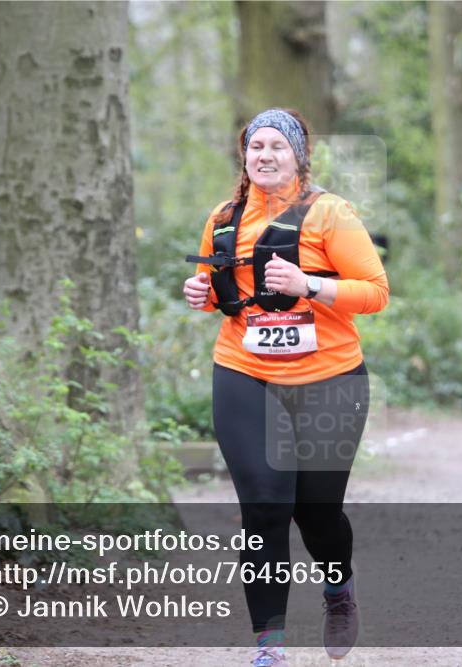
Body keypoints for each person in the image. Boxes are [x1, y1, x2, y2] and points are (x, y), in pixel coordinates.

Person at [182, 108, 389, 666]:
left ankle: (338, 588)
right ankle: (269, 647)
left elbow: (375, 292)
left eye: (277, 145)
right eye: (256, 146)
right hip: (245, 374)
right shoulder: (224, 217)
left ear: (299, 156)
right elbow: (222, 290)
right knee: (264, 507)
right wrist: (203, 294)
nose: (265, 155)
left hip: (329, 380)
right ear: (244, 155)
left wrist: (308, 285)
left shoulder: (329, 213)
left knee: (316, 512)